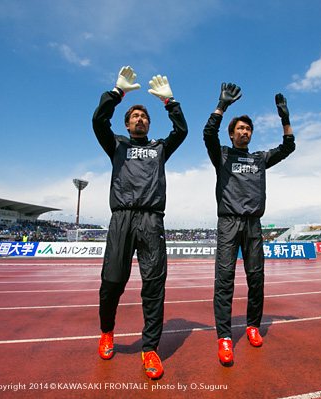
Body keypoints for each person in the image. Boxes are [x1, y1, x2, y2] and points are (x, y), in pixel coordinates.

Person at [92, 66, 187, 380]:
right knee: (112, 282)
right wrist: (117, 94)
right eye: (134, 115)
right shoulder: (116, 145)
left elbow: (181, 131)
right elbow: (98, 121)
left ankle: (150, 349)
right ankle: (107, 331)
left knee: (154, 287)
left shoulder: (159, 149)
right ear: (126, 122)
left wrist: (169, 101)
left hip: (151, 221)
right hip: (121, 220)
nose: (140, 118)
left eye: (144, 116)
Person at [203, 83, 295, 365]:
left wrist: (285, 119)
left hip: (254, 225)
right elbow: (208, 134)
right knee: (225, 282)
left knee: (256, 279)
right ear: (232, 135)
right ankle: (225, 337)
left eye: (248, 129)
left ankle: (253, 325)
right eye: (240, 129)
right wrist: (222, 106)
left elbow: (288, 147)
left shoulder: (259, 159)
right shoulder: (222, 155)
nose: (245, 132)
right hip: (229, 224)